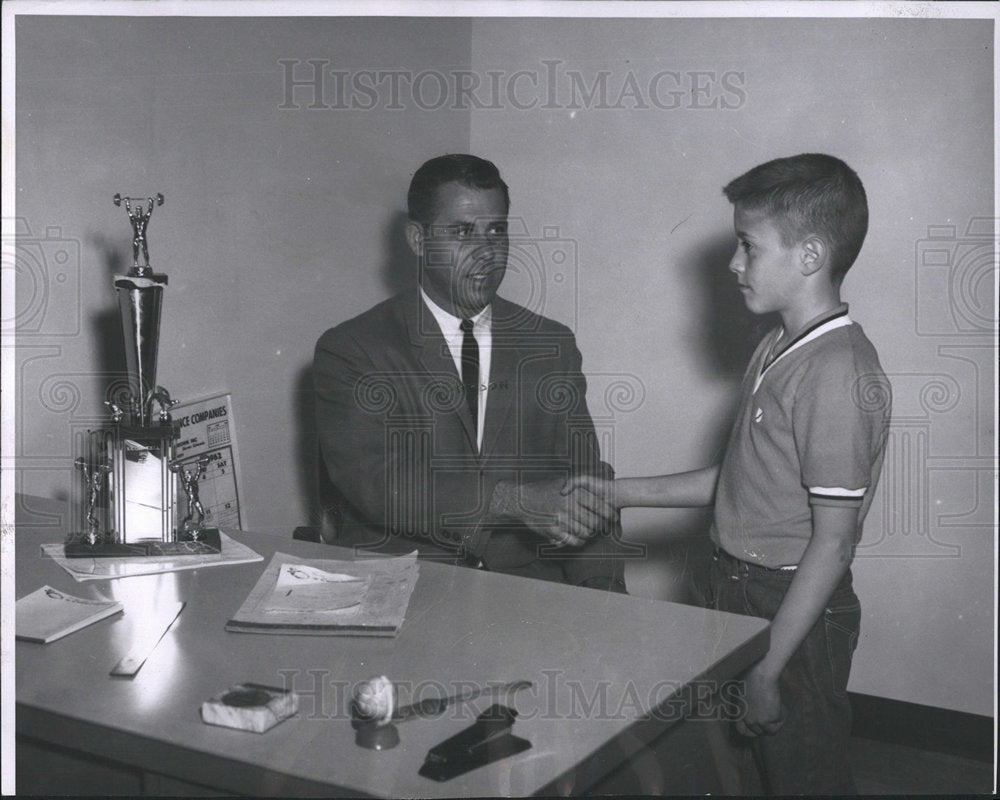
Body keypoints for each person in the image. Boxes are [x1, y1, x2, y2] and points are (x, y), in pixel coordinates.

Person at [565, 153, 891, 792]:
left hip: (791, 612)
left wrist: (769, 669)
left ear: (809, 255)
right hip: (733, 590)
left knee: (803, 777)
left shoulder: (837, 372)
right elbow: (741, 480)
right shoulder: (778, 345)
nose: (733, 263)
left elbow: (833, 540)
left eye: (748, 246)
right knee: (729, 770)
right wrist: (618, 492)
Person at [313, 154, 625, 591]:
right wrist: (511, 501)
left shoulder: (549, 345)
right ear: (418, 240)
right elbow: (377, 485)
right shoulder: (352, 349)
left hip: (524, 594)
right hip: (402, 588)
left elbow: (586, 483)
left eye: (497, 230)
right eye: (463, 232)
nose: (486, 251)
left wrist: (604, 594)